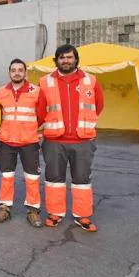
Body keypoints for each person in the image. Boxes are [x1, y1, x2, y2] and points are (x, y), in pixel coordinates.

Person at [38, 44, 104, 232]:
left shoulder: (90, 81)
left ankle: (82, 216)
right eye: (61, 57)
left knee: (82, 179)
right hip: (54, 141)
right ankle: (55, 213)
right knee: (54, 179)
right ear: (56, 60)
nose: (65, 60)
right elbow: (40, 110)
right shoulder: (45, 82)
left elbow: (98, 105)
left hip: (83, 141)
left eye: (69, 57)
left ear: (76, 59)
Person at [0, 59, 43, 227]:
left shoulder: (36, 91)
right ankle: (4, 207)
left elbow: (41, 115)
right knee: (7, 176)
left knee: (32, 177)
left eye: (20, 70)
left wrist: (32, 129)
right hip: (6, 141)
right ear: (9, 72)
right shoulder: (0, 92)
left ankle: (33, 210)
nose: (17, 73)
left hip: (29, 141)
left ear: (25, 72)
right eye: (13, 70)